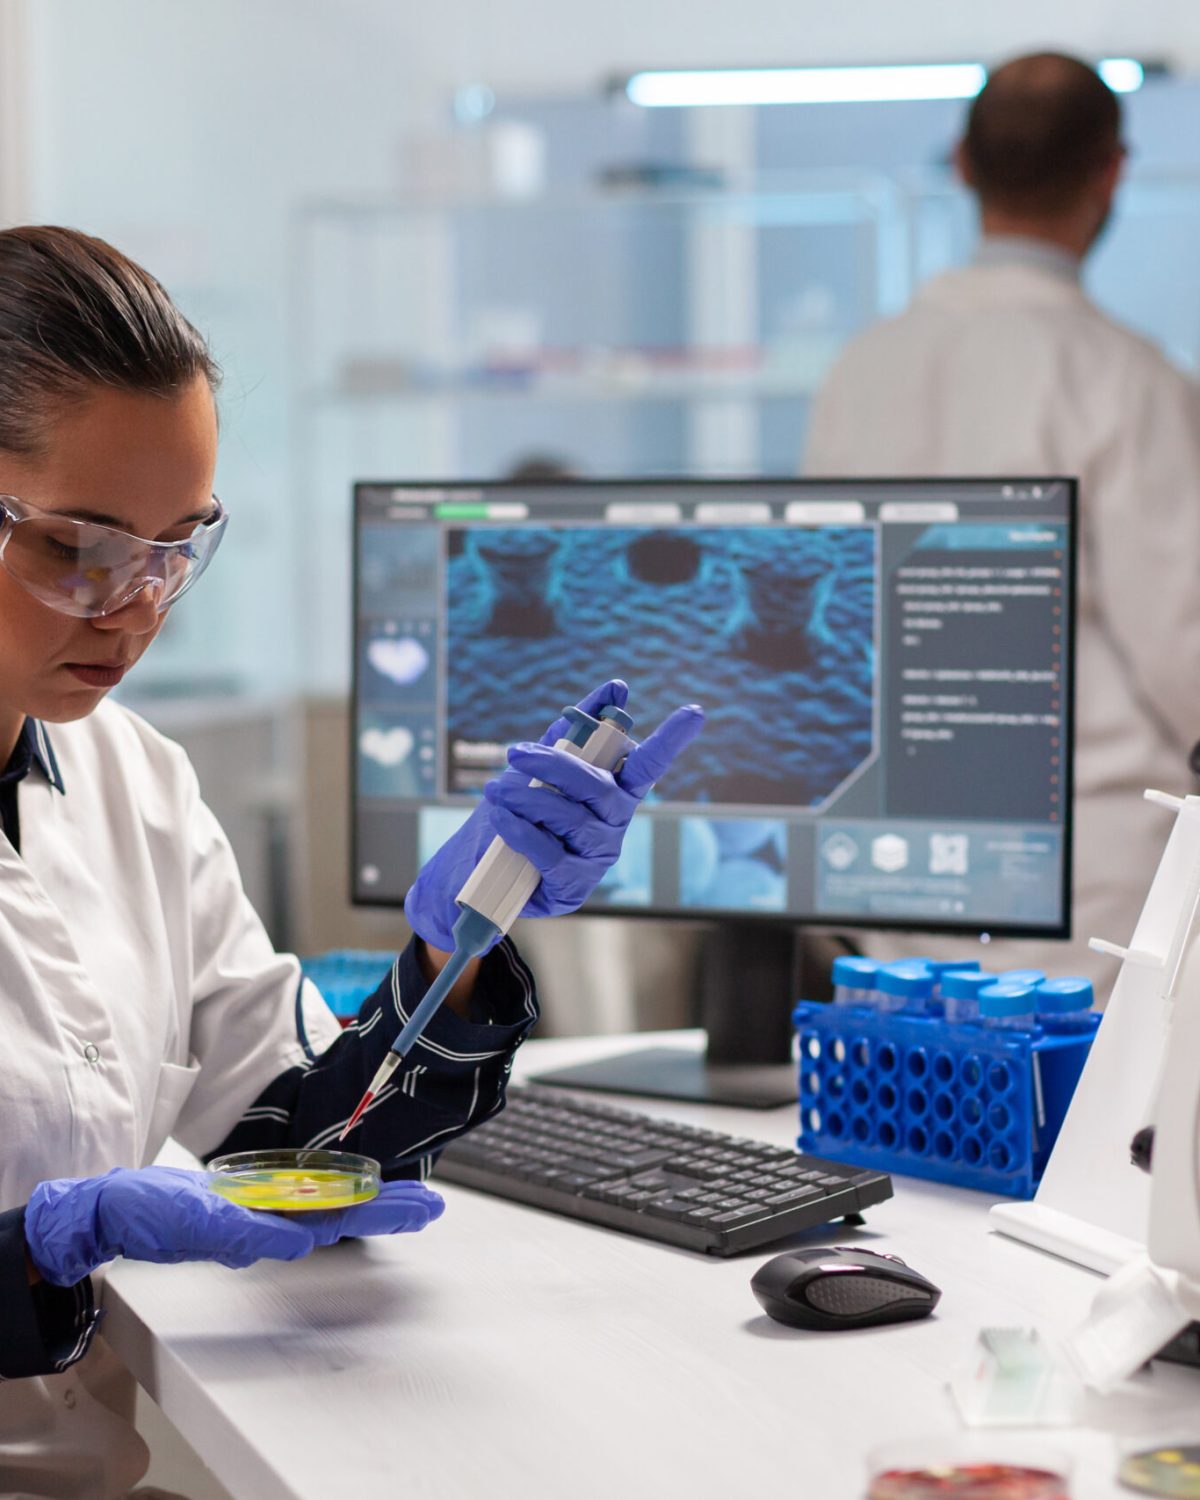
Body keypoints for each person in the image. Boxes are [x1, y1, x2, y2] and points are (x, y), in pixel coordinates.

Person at [0, 225, 703, 1497]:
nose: (135, 609)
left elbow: (295, 1133)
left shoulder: (132, 781)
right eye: (79, 548)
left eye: (174, 549)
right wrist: (36, 1251)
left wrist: (454, 951)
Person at [805, 52, 1200, 994]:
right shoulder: (1128, 379)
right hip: (1091, 903)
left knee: (909, 1135)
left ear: (963, 165)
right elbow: (1184, 656)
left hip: (897, 884)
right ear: (1111, 172)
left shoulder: (861, 369)